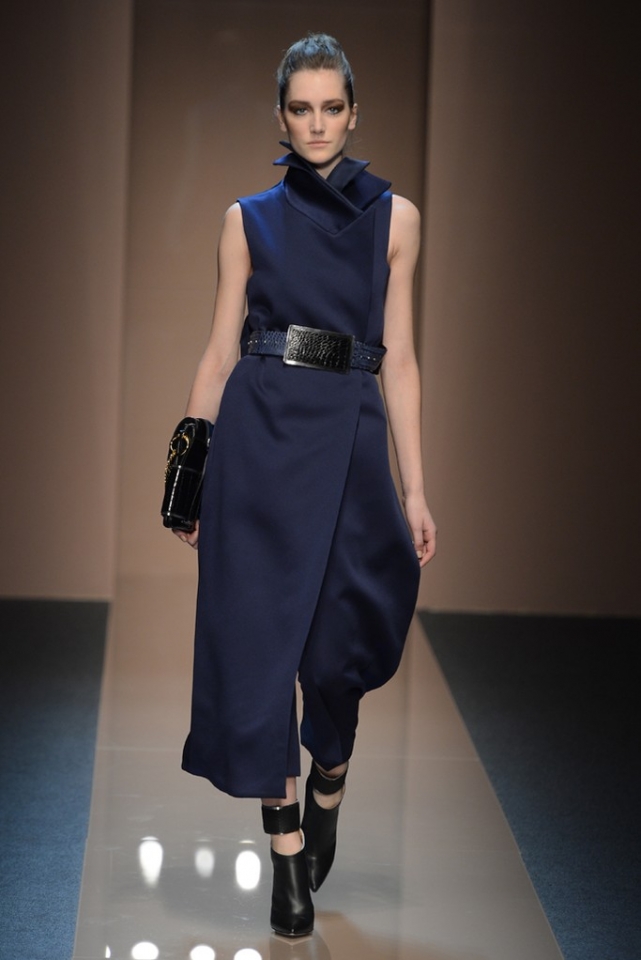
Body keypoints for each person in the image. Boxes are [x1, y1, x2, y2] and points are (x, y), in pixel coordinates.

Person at [168, 33, 436, 938]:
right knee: (258, 651)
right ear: (280, 117)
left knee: (334, 657)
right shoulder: (246, 219)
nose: (316, 123)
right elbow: (217, 353)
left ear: (353, 114)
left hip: (351, 443)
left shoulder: (396, 219)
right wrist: (186, 477)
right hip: (259, 440)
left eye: (331, 107)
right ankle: (285, 859)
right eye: (300, 108)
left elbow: (401, 363)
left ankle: (329, 780)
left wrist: (415, 490)